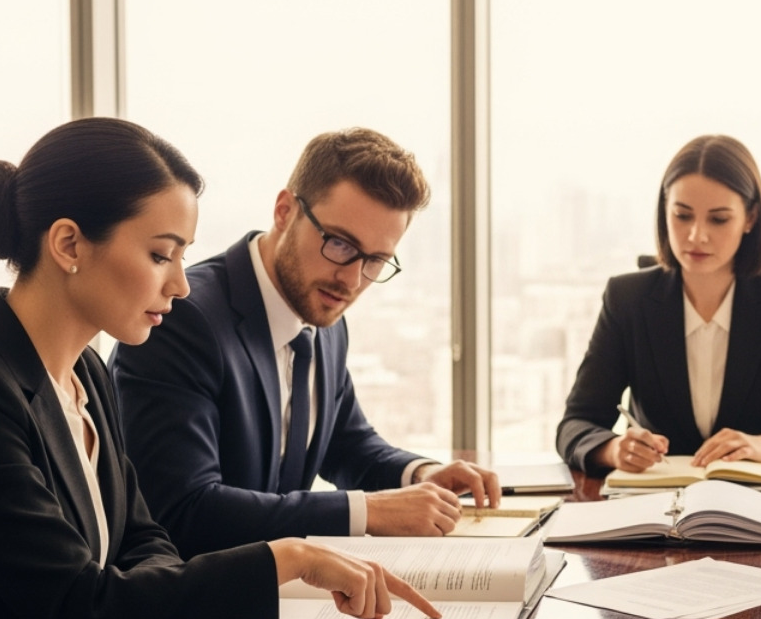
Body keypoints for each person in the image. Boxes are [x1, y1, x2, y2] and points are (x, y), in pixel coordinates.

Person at [0, 118, 438, 619]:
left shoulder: (82, 370)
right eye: (160, 254)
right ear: (68, 244)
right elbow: (73, 603)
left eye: (184, 256)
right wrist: (286, 558)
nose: (182, 283)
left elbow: (142, 537)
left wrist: (193, 606)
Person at [111, 128, 500, 559]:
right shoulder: (183, 318)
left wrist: (421, 474)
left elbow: (345, 443)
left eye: (375, 261)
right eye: (339, 244)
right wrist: (366, 512)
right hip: (192, 609)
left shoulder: (324, 314)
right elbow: (183, 511)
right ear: (284, 211)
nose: (352, 280)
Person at [557, 134, 761, 475]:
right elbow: (576, 424)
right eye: (682, 216)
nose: (696, 236)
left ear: (750, 218)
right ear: (665, 211)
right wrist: (614, 449)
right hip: (660, 509)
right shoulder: (627, 299)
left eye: (718, 219)